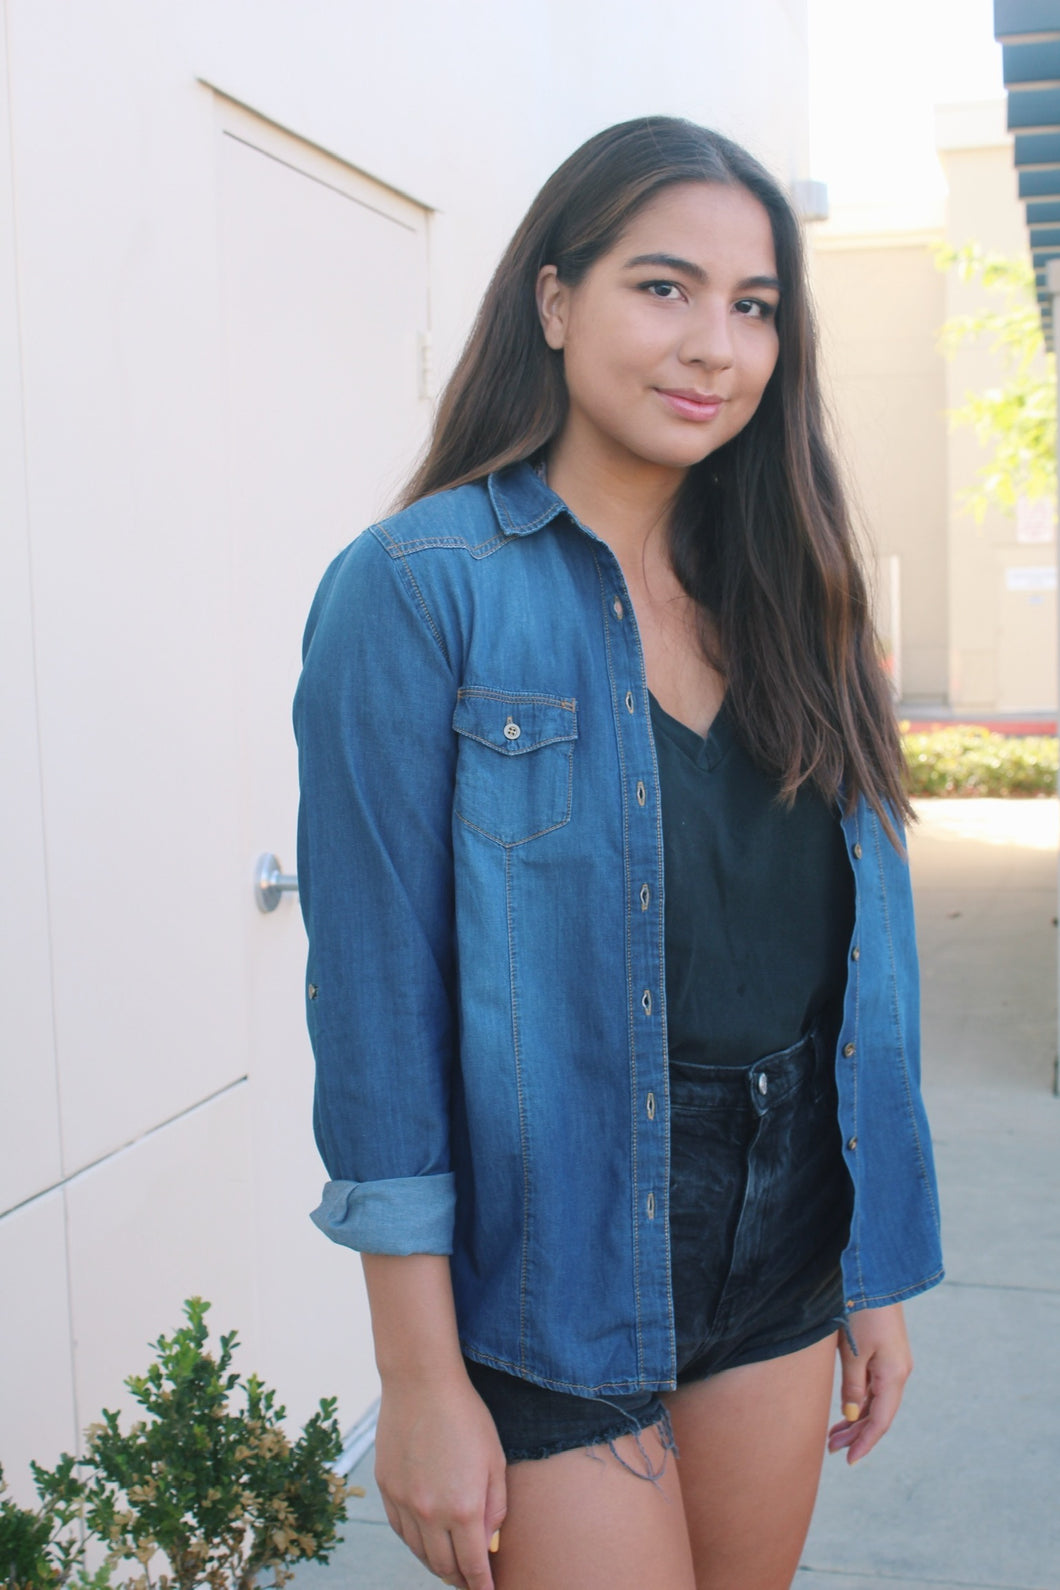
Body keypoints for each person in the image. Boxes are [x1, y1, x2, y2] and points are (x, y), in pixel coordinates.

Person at [294, 116, 943, 1590]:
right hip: (556, 1253)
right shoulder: (417, 589)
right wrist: (421, 1379)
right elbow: (377, 1015)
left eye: (754, 304)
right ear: (553, 299)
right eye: (664, 286)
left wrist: (871, 1264)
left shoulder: (802, 589)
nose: (714, 342)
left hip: (783, 1234)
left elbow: (849, 967)